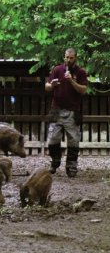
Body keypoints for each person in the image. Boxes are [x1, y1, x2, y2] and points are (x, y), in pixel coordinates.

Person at [44, 47, 88, 177]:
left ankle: (71, 166)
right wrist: (52, 85)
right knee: (52, 139)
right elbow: (46, 87)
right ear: (64, 57)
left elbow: (83, 90)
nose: (68, 60)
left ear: (75, 58)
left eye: (71, 58)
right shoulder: (57, 69)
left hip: (73, 111)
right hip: (56, 109)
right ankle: (55, 162)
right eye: (66, 57)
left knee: (73, 140)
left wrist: (71, 81)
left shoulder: (80, 72)